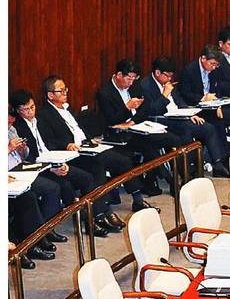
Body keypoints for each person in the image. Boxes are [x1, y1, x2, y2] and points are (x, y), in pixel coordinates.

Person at [38, 75, 149, 219]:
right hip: (73, 153)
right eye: (61, 91)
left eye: (66, 89)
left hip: (88, 146)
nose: (65, 93)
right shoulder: (44, 115)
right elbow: (49, 141)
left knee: (123, 160)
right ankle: (102, 213)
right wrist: (67, 145)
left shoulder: (67, 108)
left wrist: (92, 140)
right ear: (50, 95)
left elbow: (79, 129)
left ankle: (137, 200)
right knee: (97, 168)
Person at [10, 89, 113, 238]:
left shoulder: (39, 120)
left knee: (87, 176)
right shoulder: (18, 127)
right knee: (62, 186)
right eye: (25, 109)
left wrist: (60, 160)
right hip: (39, 167)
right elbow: (30, 157)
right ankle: (47, 230)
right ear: (18, 111)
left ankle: (95, 217)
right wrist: (51, 167)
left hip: (53, 160)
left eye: (32, 107)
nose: (30, 112)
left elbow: (50, 143)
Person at [96, 58, 182, 195]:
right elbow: (111, 120)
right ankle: (169, 181)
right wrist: (127, 108)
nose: (131, 83)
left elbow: (145, 109)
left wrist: (131, 122)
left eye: (134, 79)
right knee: (149, 148)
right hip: (119, 134)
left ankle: (179, 176)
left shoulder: (135, 86)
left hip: (137, 126)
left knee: (173, 139)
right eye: (128, 79)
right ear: (119, 75)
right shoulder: (105, 93)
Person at [139, 55, 230, 178]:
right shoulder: (145, 85)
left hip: (179, 116)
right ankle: (190, 170)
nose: (169, 78)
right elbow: (152, 110)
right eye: (167, 75)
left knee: (208, 127)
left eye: (171, 76)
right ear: (157, 73)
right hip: (163, 120)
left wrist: (189, 113)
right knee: (186, 131)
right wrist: (164, 95)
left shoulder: (168, 82)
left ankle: (218, 164)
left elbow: (179, 101)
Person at [8, 109, 64, 262]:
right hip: (9, 175)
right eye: (7, 122)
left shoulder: (12, 130)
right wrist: (8, 148)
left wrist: (22, 149)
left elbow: (25, 155)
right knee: (27, 197)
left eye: (11, 122)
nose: (10, 125)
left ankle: (40, 234)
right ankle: (25, 247)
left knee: (48, 189)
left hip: (20, 170)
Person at [176, 44, 230, 147]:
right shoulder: (189, 70)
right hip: (197, 108)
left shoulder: (214, 70)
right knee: (218, 125)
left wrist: (218, 105)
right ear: (203, 58)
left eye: (216, 65)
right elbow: (184, 93)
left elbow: (217, 88)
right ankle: (224, 153)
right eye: (212, 64)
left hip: (213, 106)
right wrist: (203, 98)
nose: (214, 67)